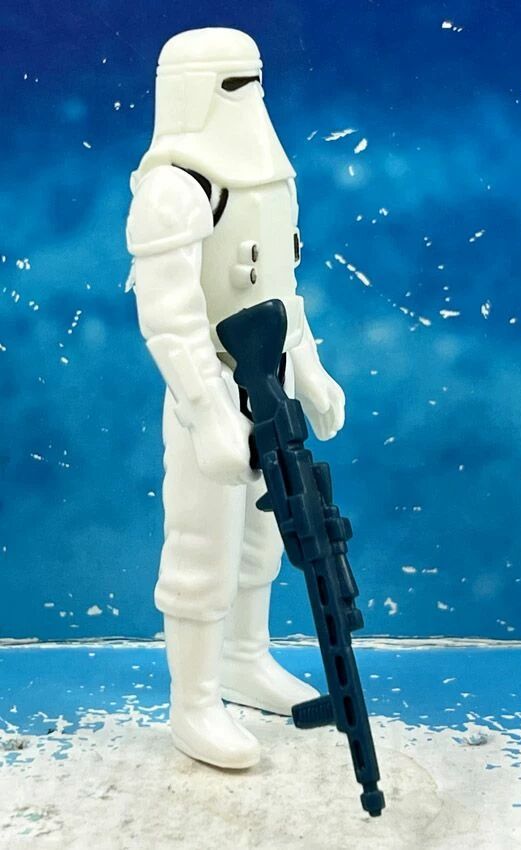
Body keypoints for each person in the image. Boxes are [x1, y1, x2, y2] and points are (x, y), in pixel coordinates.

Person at [126, 27, 345, 769]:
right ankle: (193, 702)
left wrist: (308, 369)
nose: (246, 97)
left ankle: (246, 659)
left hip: (270, 382)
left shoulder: (267, 179)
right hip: (212, 384)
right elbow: (171, 318)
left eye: (251, 80)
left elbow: (280, 291)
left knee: (263, 539)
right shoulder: (174, 188)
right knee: (202, 548)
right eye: (231, 83)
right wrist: (207, 412)